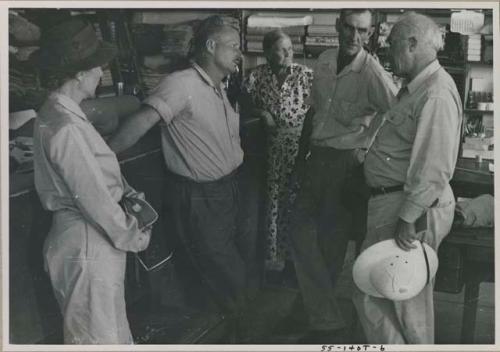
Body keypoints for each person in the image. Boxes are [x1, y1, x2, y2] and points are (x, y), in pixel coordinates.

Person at [107, 16, 249, 323]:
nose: (240, 53)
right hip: (201, 196)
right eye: (234, 46)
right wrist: (101, 155)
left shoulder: (216, 85)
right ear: (211, 47)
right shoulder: (180, 84)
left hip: (226, 191)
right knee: (224, 270)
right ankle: (236, 332)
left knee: (225, 267)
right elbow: (142, 121)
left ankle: (232, 329)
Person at [32, 19, 151, 344]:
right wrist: (134, 235)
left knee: (105, 336)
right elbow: (93, 198)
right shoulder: (66, 125)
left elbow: (92, 179)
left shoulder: (57, 113)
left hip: (86, 241)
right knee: (97, 340)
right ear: (80, 73)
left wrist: (124, 193)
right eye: (99, 67)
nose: (102, 73)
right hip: (88, 244)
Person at [288, 9, 398, 342]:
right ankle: (324, 314)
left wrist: (367, 152)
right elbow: (312, 112)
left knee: (331, 244)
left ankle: (320, 319)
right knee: (297, 230)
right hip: (315, 157)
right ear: (338, 27)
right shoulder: (323, 60)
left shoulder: (373, 72)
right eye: (348, 28)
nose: (354, 36)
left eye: (362, 30)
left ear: (371, 33)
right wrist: (298, 160)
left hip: (346, 163)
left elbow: (395, 116)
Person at [352, 12, 462, 344]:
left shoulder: (436, 93)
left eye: (392, 44)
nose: (386, 51)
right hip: (391, 202)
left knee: (404, 303)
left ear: (413, 44)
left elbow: (435, 164)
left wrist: (408, 218)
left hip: (407, 208)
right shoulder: (415, 88)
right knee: (377, 294)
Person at [241, 29, 313, 277]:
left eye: (289, 49)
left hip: (298, 147)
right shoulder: (256, 75)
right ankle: (273, 260)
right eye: (280, 50)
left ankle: (296, 262)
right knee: (272, 202)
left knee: (295, 202)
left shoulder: (305, 75)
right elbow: (243, 100)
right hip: (270, 149)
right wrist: (263, 113)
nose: (287, 54)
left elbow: (316, 109)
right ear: (267, 53)